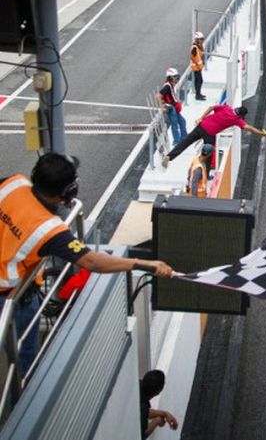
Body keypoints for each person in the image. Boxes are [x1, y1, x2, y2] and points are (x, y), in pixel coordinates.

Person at [0, 153, 173, 375]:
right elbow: (91, 261)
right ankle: (22, 387)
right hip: (11, 297)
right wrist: (143, 264)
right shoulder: (49, 230)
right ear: (67, 192)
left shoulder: (14, 183)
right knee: (24, 351)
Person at [162, 104, 266, 168]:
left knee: (185, 142)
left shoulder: (227, 108)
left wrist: (201, 117)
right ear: (242, 115)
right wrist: (262, 134)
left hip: (202, 125)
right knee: (208, 153)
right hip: (210, 133)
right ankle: (205, 173)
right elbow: (250, 128)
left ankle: (169, 156)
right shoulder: (237, 120)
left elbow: (211, 107)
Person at [139, 369, 178, 439]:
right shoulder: (142, 408)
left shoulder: (137, 385)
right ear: (158, 392)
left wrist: (165, 414)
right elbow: (142, 434)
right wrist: (157, 421)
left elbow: (144, 411)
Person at [159, 68, 187, 144]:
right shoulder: (167, 86)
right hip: (171, 108)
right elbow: (159, 96)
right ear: (170, 77)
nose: (177, 79)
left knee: (182, 121)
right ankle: (177, 141)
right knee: (175, 125)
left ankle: (184, 138)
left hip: (173, 107)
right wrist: (162, 107)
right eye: (175, 77)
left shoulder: (170, 85)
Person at [190, 32, 206, 101]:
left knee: (198, 80)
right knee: (200, 80)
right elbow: (192, 56)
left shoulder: (197, 46)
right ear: (197, 39)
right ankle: (197, 95)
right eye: (200, 39)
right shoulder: (194, 47)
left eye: (202, 39)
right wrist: (197, 64)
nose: (202, 40)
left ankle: (198, 94)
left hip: (198, 67)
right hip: (196, 67)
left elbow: (201, 52)